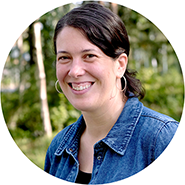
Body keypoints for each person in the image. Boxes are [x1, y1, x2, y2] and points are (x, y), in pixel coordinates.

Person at [44, 3, 178, 184]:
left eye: (89, 55)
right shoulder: (58, 149)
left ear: (120, 64)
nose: (75, 71)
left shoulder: (162, 139)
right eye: (64, 58)